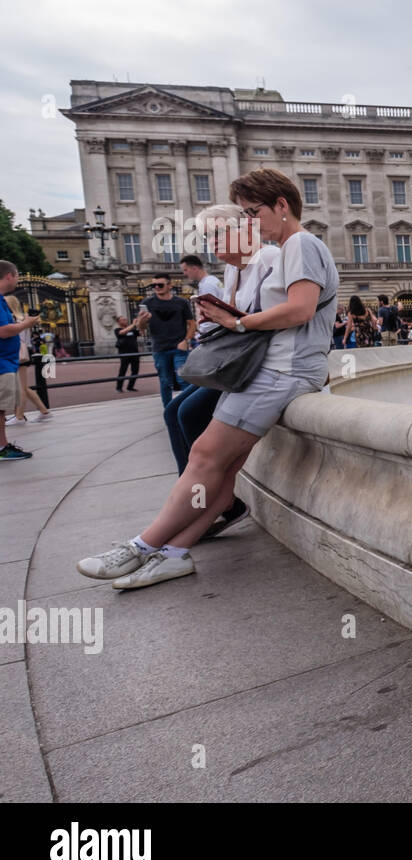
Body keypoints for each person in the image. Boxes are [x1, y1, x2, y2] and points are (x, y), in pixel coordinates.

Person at [77, 167, 338, 590]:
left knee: (203, 456)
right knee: (222, 465)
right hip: (281, 367)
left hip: (280, 371)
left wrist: (236, 324)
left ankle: (141, 547)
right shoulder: (289, 247)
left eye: (253, 213)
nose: (249, 224)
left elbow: (300, 310)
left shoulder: (299, 243)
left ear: (282, 205)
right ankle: (175, 553)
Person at [162, 203, 268, 539]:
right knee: (172, 410)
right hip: (237, 353)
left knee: (189, 413)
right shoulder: (234, 270)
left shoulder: (268, 260)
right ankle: (198, 498)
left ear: (244, 229)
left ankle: (211, 504)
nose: (212, 244)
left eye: (218, 234)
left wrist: (228, 319)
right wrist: (217, 318)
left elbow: (275, 319)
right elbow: (238, 319)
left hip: (255, 360)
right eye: (209, 237)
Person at [0, 263, 44, 459]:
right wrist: (27, 323)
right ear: (9, 276)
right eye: (17, 276)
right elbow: (3, 331)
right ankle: (1, 448)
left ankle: (3, 446)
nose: (17, 280)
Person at [136, 272, 196, 407]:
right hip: (159, 348)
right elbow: (141, 328)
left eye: (160, 285)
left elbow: (192, 324)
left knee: (184, 380)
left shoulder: (181, 302)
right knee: (165, 382)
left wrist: (186, 341)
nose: (156, 287)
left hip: (179, 347)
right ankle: (168, 409)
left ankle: (189, 408)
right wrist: (142, 320)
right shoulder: (147, 303)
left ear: (170, 285)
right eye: (154, 285)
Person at [115, 315, 141, 391]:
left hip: (134, 353)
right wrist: (133, 324)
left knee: (135, 371)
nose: (125, 321)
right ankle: (119, 388)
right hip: (124, 353)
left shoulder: (132, 329)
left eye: (125, 319)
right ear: (118, 322)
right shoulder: (117, 330)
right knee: (123, 370)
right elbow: (122, 332)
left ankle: (130, 387)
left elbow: (140, 333)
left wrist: (139, 324)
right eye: (123, 320)